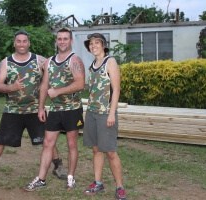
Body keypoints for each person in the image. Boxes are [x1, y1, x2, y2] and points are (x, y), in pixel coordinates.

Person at [0, 30, 67, 186]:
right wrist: (12, 87)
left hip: (35, 109)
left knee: (47, 140)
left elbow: (53, 74)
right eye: (18, 41)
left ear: (29, 43)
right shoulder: (6, 62)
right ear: (14, 43)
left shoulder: (40, 60)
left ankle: (58, 166)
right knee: (0, 140)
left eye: (24, 41)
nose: (21, 44)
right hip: (13, 110)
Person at [25, 27, 85, 191]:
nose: (62, 41)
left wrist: (58, 91)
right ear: (56, 41)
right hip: (56, 109)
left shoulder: (75, 60)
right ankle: (41, 179)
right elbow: (44, 85)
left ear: (71, 41)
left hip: (72, 109)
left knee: (71, 144)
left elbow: (80, 84)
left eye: (65, 38)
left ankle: (71, 178)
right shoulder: (49, 62)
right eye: (59, 39)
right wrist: (41, 107)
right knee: (47, 143)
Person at [82, 33, 127, 200]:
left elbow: (116, 90)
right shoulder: (92, 64)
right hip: (92, 112)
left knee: (110, 152)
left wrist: (111, 114)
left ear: (103, 45)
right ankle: (98, 182)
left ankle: (120, 187)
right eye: (91, 43)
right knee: (96, 149)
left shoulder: (110, 62)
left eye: (97, 43)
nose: (93, 46)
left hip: (105, 114)